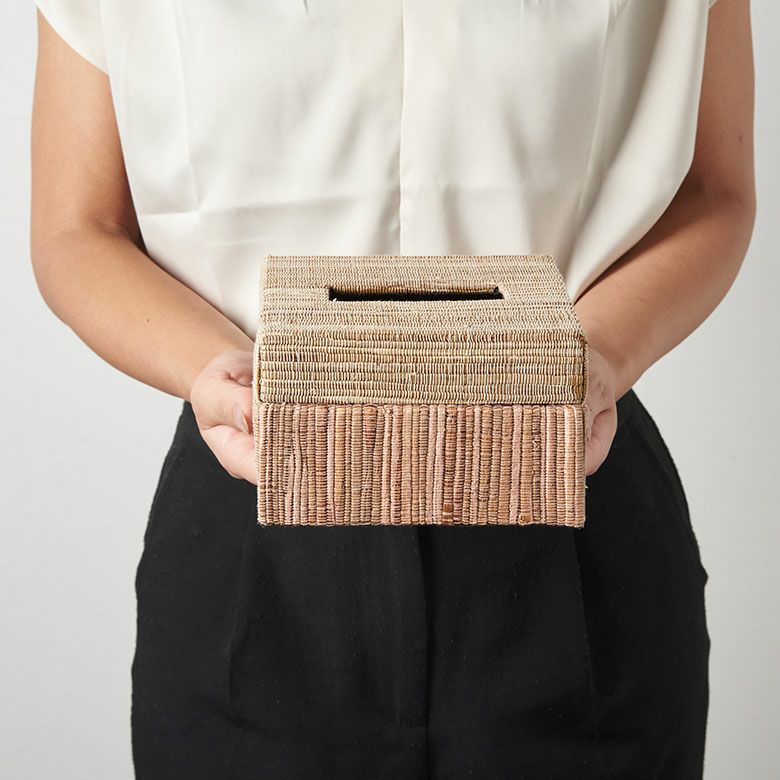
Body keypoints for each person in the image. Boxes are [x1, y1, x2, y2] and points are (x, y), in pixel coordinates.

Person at [29, 0, 755, 777]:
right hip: (254, 492)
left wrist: (595, 354)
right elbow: (77, 226)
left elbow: (715, 186)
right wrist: (212, 367)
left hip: (569, 479)